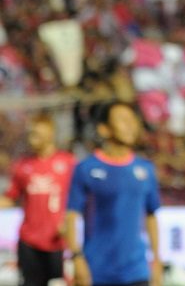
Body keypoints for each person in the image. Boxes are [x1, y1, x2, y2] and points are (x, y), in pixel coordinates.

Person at [65, 100, 162, 286]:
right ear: (104, 129)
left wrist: (157, 260)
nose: (130, 125)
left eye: (132, 120)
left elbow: (151, 215)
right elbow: (71, 215)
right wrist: (76, 257)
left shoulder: (145, 169)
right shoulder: (86, 169)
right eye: (123, 120)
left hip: (136, 271)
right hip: (96, 271)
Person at [0, 114, 74, 286]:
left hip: (57, 241)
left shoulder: (68, 163)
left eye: (37, 134)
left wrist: (68, 224)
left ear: (50, 134)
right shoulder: (23, 165)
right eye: (30, 134)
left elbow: (79, 198)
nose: (32, 138)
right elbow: (11, 197)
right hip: (29, 241)